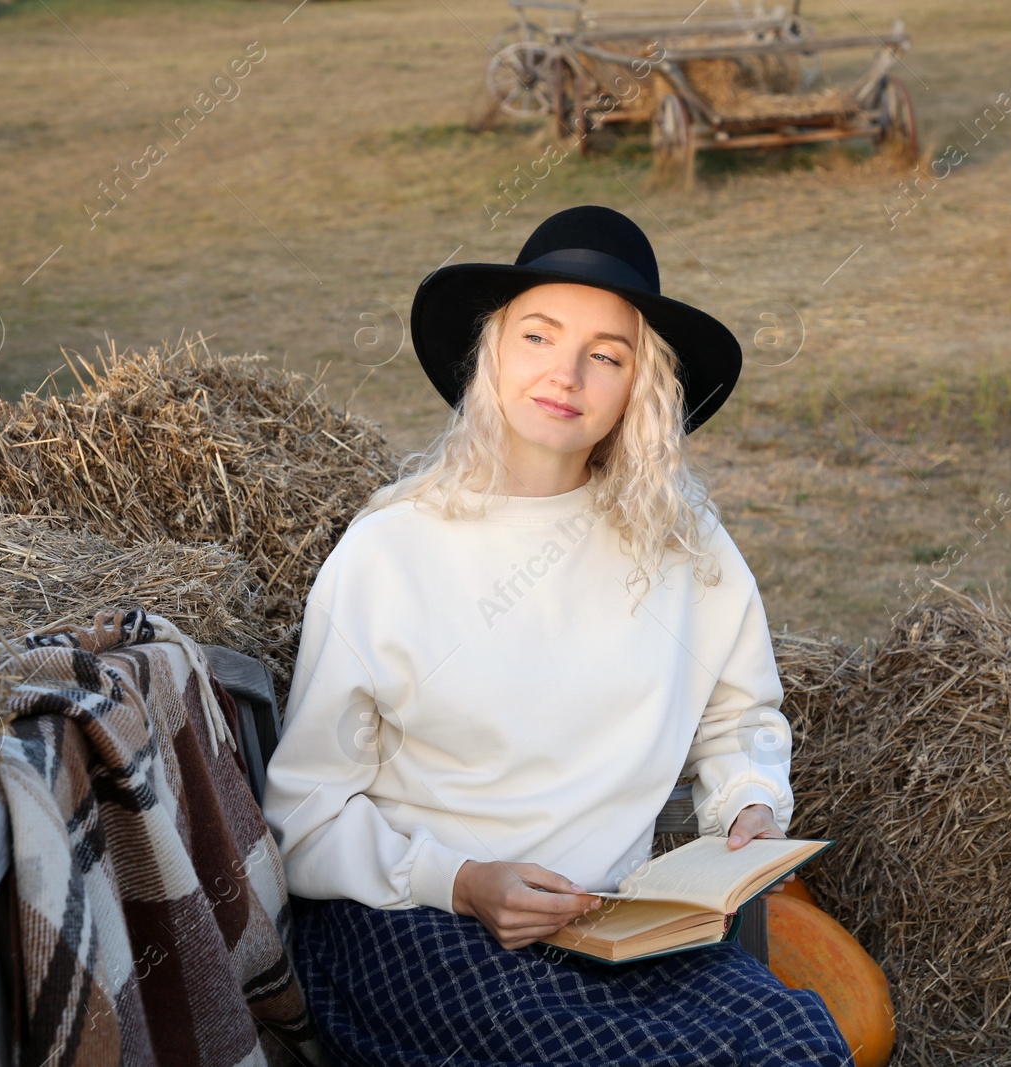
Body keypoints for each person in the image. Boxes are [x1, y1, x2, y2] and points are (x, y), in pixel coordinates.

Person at [262, 205, 854, 1066]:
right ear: (493, 349)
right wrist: (463, 882)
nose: (565, 373)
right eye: (539, 335)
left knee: (800, 1042)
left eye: (606, 355)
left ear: (638, 387)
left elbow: (739, 721)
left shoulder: (684, 547)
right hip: (416, 926)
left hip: (614, 928)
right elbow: (305, 817)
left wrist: (749, 803)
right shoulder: (391, 552)